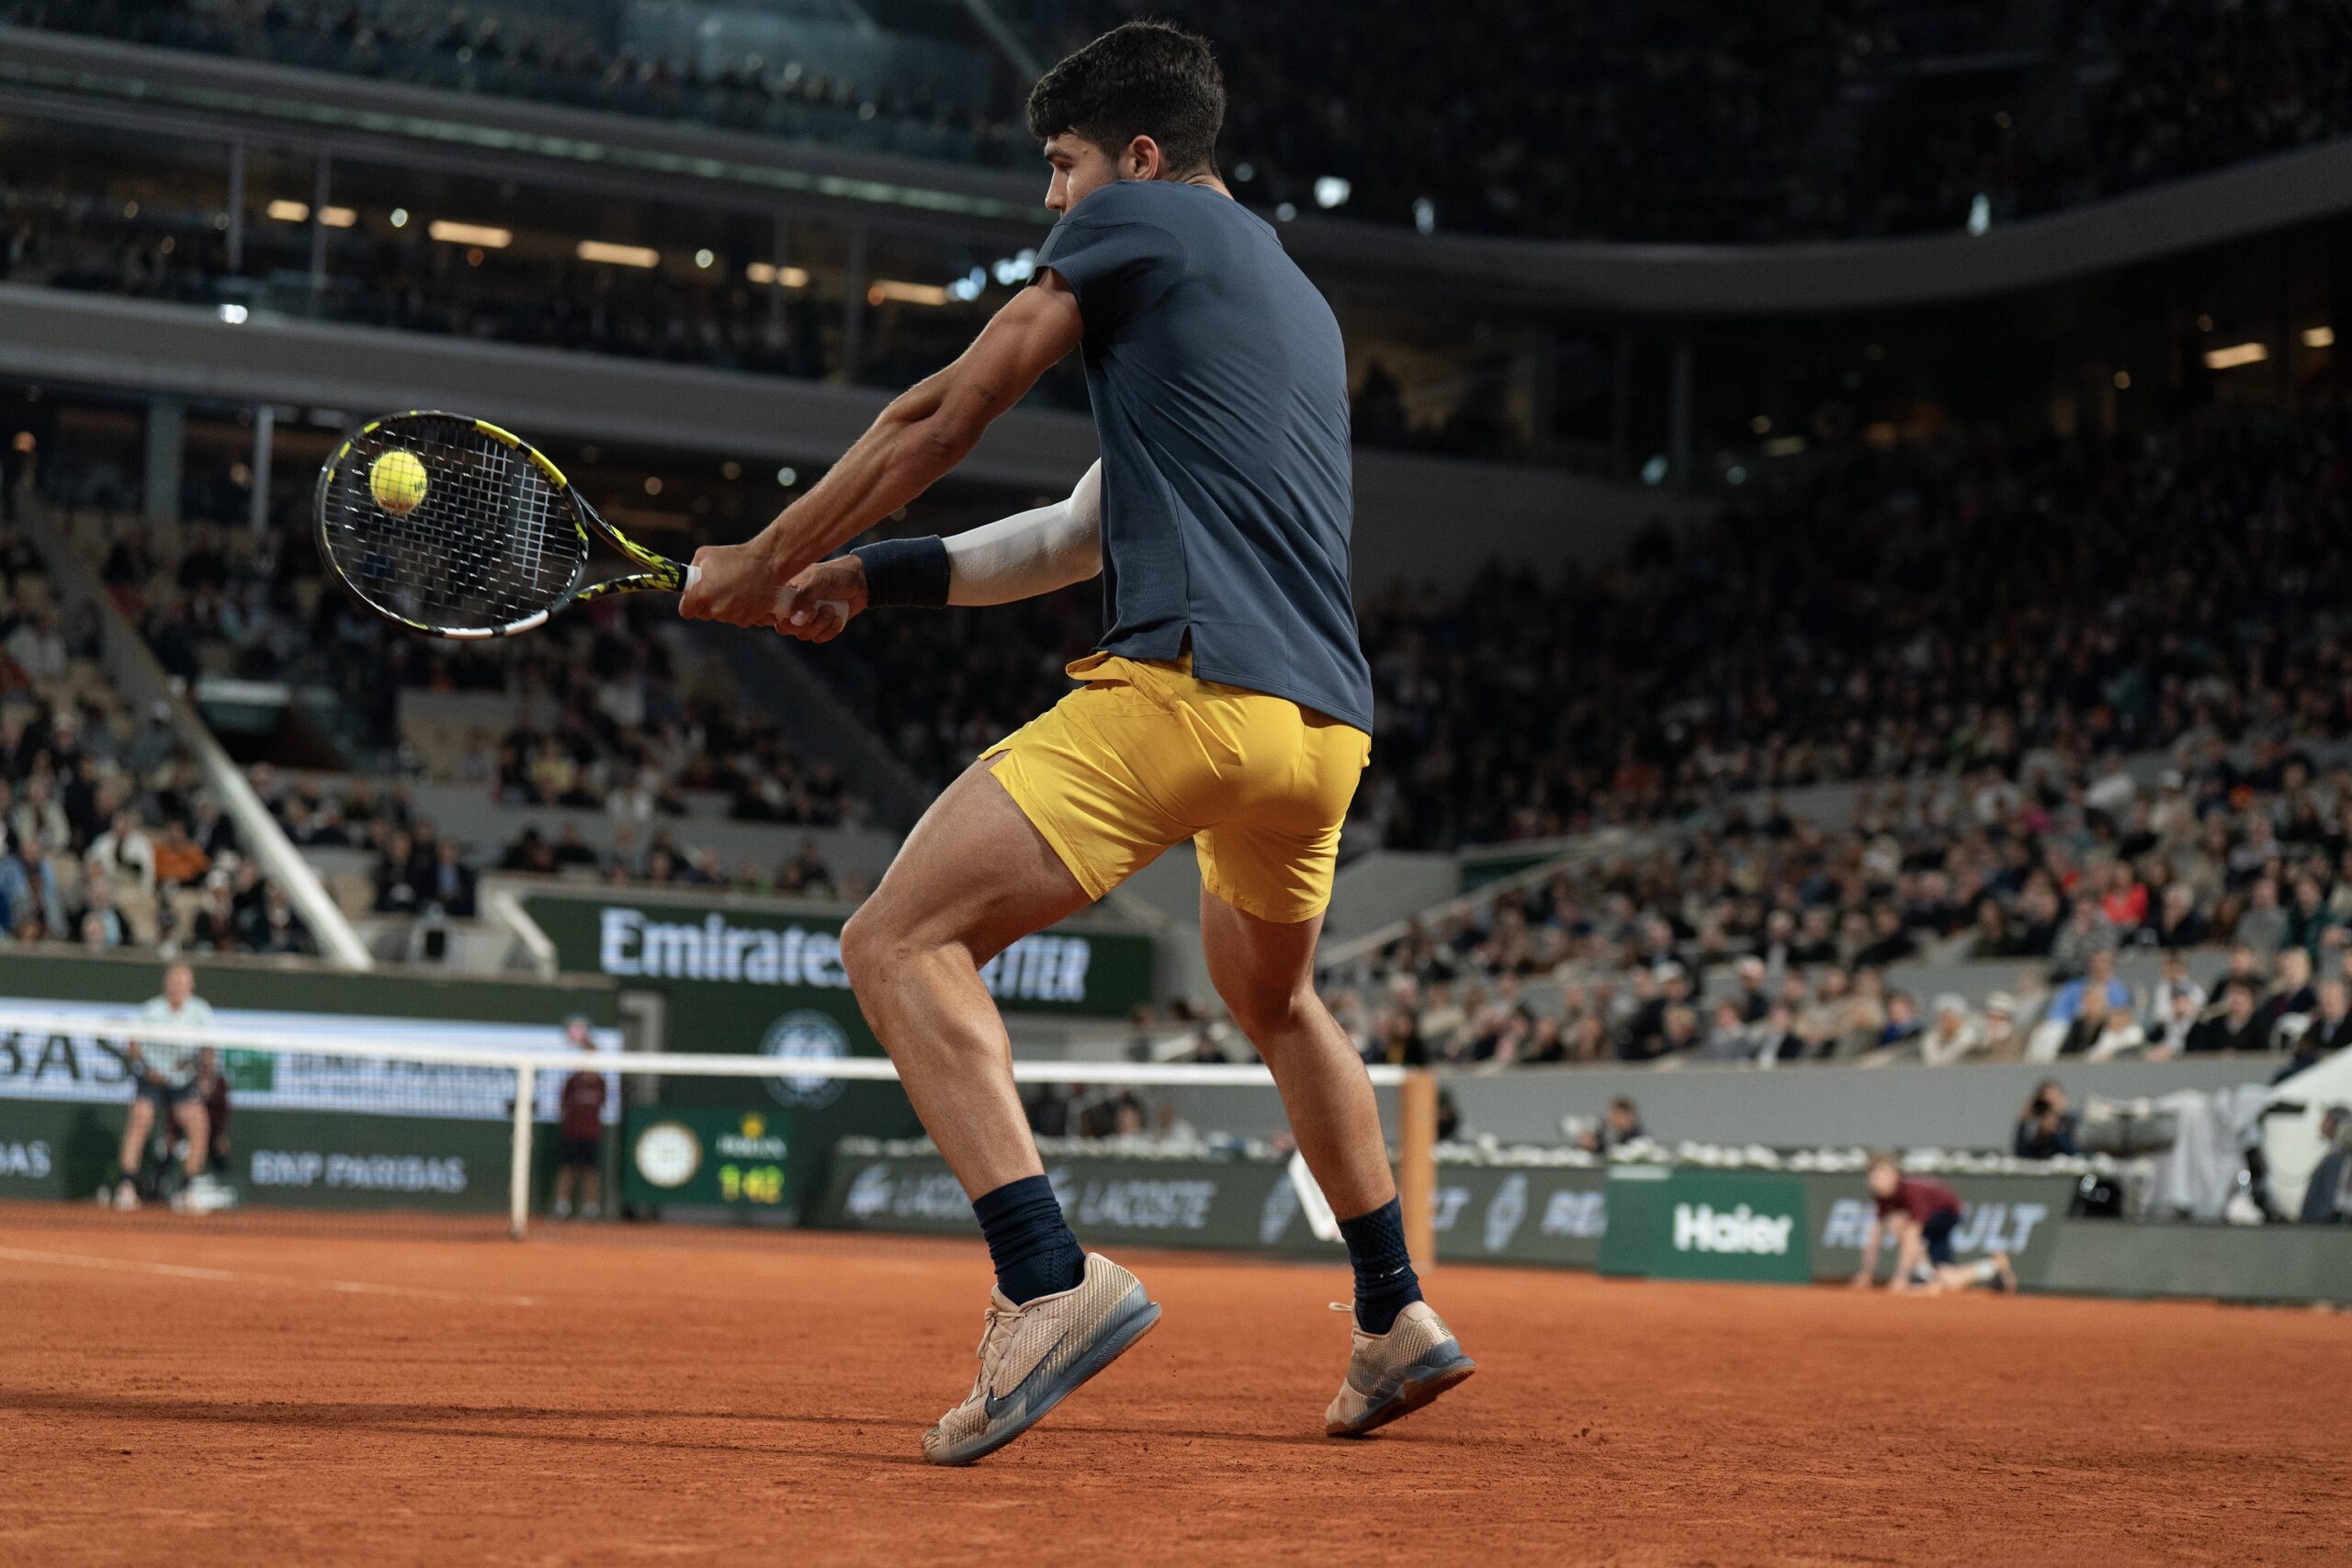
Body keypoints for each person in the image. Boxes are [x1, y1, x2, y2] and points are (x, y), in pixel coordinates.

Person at [681, 21, 1471, 1463]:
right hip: (1322, 735)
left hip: (1184, 694)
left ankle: (1047, 1278)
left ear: (1143, 158)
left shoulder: (1132, 225)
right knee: (1280, 1004)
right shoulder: (1285, 299)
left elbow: (947, 407)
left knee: (896, 941)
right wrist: (869, 575)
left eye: (1063, 167)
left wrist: (770, 548)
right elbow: (1068, 535)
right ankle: (1394, 1312)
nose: (1055, 203)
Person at [115, 962, 231, 1212]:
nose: (178, 986)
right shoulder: (151, 1010)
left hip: (183, 1081)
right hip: (152, 1078)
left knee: (200, 1124)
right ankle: (126, 1187)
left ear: (191, 986)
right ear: (166, 984)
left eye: (183, 981)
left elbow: (208, 1049)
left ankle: (187, 1190)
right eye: (174, 981)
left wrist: (204, 1076)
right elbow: (133, 1043)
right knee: (140, 1118)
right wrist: (147, 1070)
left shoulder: (200, 1011)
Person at [1851, 1154, 2015, 1294]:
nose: (1874, 1181)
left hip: (1946, 1213)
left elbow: (1912, 1233)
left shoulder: (1912, 1192)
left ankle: (1923, 1276)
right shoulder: (1883, 1198)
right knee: (1950, 1280)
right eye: (1872, 1176)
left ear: (1892, 1173)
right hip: (1936, 1217)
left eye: (1879, 1175)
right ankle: (1993, 1266)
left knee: (1899, 1223)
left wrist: (1901, 1277)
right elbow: (1875, 1233)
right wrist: (1865, 1273)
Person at [548, 1016, 606, 1220]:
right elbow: (562, 1105)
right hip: (571, 1132)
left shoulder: (600, 1082)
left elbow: (603, 1105)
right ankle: (562, 1206)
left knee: (590, 1172)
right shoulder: (572, 1080)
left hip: (591, 1134)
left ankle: (590, 1208)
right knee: (566, 1169)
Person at [2013, 1079, 2079, 1158]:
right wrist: (2022, 1124)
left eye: (2053, 1103)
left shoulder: (2071, 1121)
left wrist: (2054, 1132)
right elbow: (2021, 1153)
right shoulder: (2035, 1124)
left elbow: (2073, 1152)